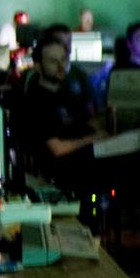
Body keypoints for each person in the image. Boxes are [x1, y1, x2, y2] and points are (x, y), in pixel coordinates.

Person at [21, 37, 108, 186]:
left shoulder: (65, 93)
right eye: (53, 61)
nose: (61, 66)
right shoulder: (36, 101)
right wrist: (98, 137)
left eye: (63, 60)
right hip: (64, 175)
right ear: (38, 66)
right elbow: (58, 149)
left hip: (86, 162)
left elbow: (82, 122)